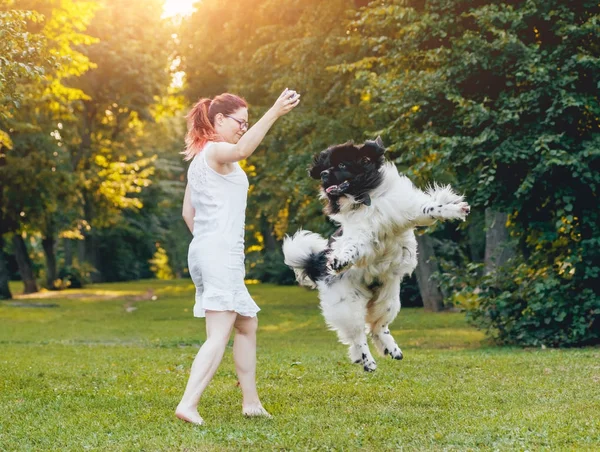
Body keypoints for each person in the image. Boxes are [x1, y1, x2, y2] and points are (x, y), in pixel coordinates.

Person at [176, 89, 301, 425]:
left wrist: (209, 242)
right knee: (220, 332)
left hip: (205, 250)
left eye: (247, 123)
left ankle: (251, 402)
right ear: (219, 119)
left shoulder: (200, 157)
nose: (244, 128)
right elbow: (244, 151)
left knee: (246, 324)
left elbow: (189, 213)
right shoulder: (217, 149)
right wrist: (274, 111)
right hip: (219, 252)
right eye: (239, 122)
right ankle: (188, 404)